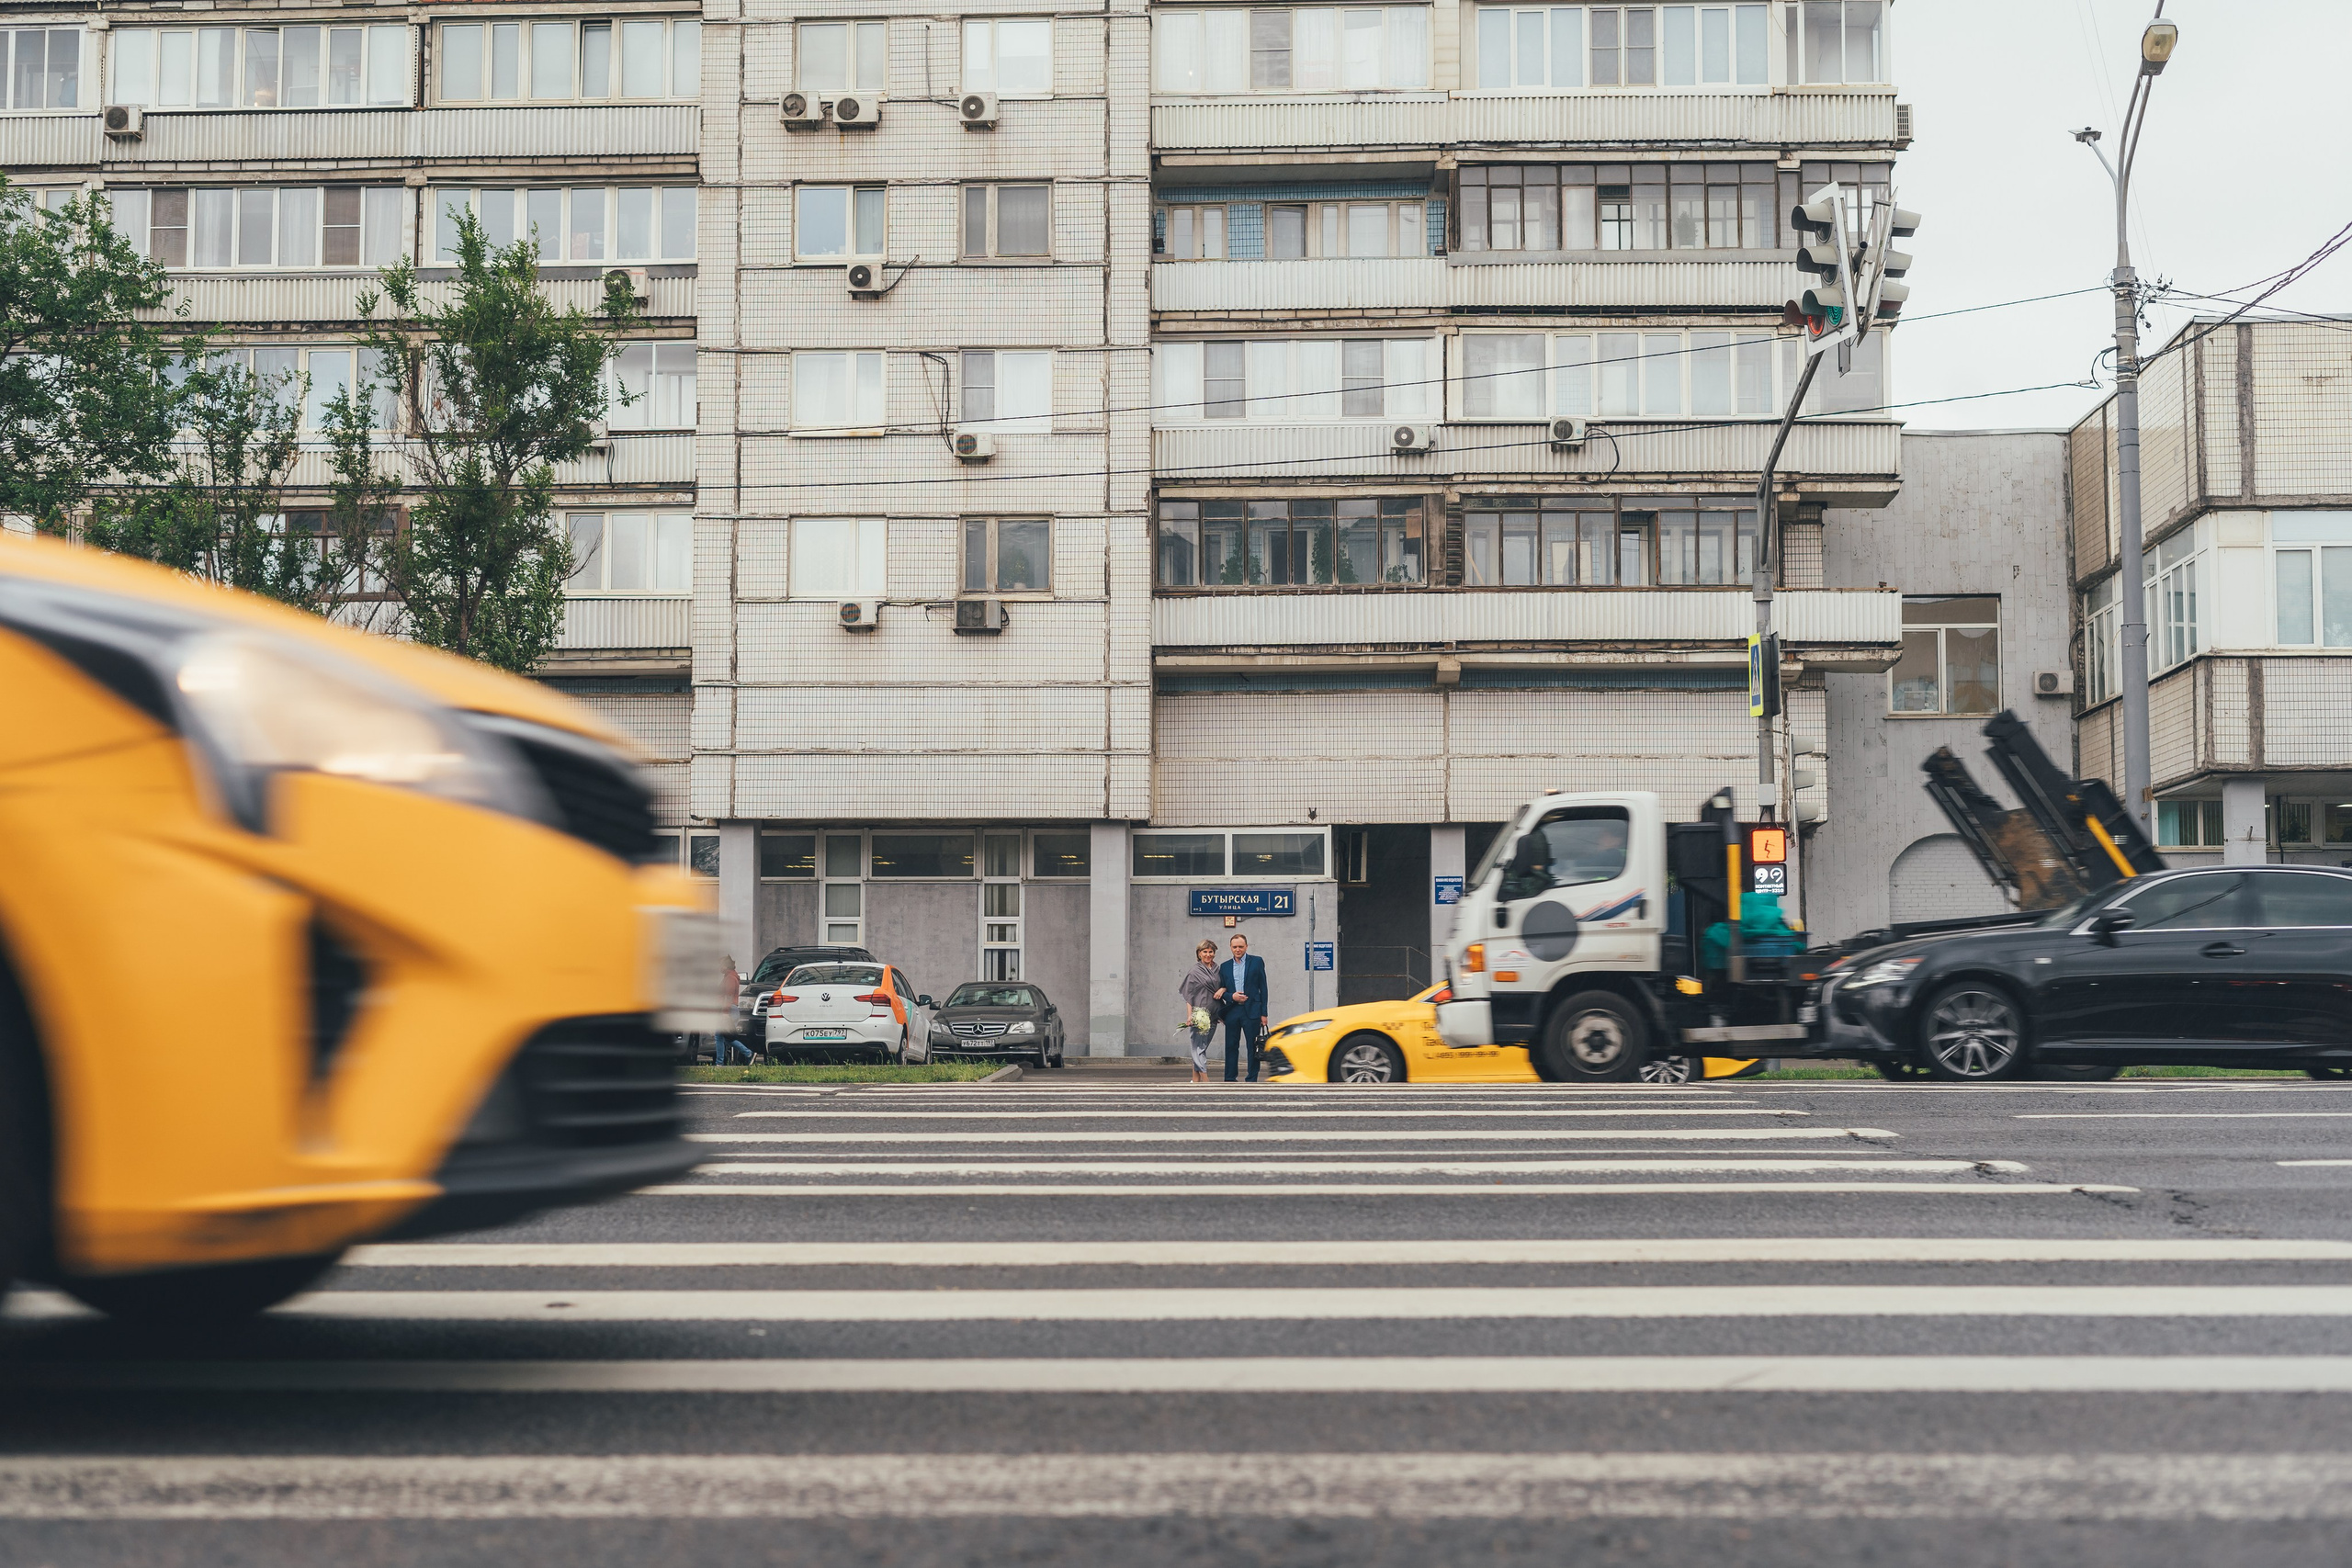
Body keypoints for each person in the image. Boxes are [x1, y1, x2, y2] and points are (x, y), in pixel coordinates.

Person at [1216, 932, 1269, 1084]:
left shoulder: (1257, 962)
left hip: (1252, 1011)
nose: (1237, 949)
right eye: (1235, 947)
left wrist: (1264, 1013)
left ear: (1246, 946)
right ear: (1230, 948)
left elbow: (1263, 988)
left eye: (1240, 946)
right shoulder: (1225, 966)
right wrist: (1231, 996)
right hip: (1233, 1011)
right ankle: (1230, 1078)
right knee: (1231, 1046)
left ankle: (1251, 1078)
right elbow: (1221, 990)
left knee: (1253, 1047)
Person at [1178, 940, 1223, 1085]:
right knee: (1198, 1047)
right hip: (1200, 1014)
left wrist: (1223, 989)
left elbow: (1224, 985)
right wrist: (1190, 1016)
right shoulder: (1194, 971)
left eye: (1211, 951)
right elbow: (1189, 995)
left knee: (1202, 1047)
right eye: (1205, 951)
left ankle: (1195, 1079)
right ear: (1199, 953)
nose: (1208, 954)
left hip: (1215, 1013)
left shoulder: (1217, 969)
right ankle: (1205, 1078)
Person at [713, 955, 754, 1066]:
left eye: (721, 965)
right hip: (729, 1009)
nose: (719, 967)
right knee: (724, 1037)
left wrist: (725, 1013)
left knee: (722, 1036)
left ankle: (721, 1062)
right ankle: (746, 1054)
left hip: (729, 1010)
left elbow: (729, 996)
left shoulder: (730, 978)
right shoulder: (730, 976)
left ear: (726, 965)